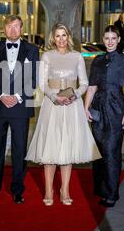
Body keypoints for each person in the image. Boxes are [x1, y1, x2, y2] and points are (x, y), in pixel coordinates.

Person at [25, 23, 101, 206]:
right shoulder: (47, 56)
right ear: (53, 38)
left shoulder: (77, 57)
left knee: (68, 148)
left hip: (72, 106)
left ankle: (65, 190)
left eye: (64, 35)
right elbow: (42, 83)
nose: (61, 39)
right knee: (50, 149)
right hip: (52, 106)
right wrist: (54, 96)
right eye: (57, 36)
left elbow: (84, 83)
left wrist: (74, 95)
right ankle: (49, 190)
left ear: (69, 37)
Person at [0, 15, 39, 204]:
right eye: (9, 26)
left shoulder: (32, 50)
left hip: (20, 106)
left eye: (16, 26)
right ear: (4, 28)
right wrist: (1, 95)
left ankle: (17, 190)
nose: (13, 30)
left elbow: (34, 78)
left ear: (21, 28)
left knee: (19, 149)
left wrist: (16, 97)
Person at [84, 25, 124, 208]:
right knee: (98, 152)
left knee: (112, 151)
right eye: (107, 38)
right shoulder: (97, 60)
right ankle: (101, 188)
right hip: (97, 110)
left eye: (114, 38)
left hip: (116, 110)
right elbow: (91, 87)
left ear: (119, 40)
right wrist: (85, 108)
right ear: (103, 40)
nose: (110, 42)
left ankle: (111, 193)